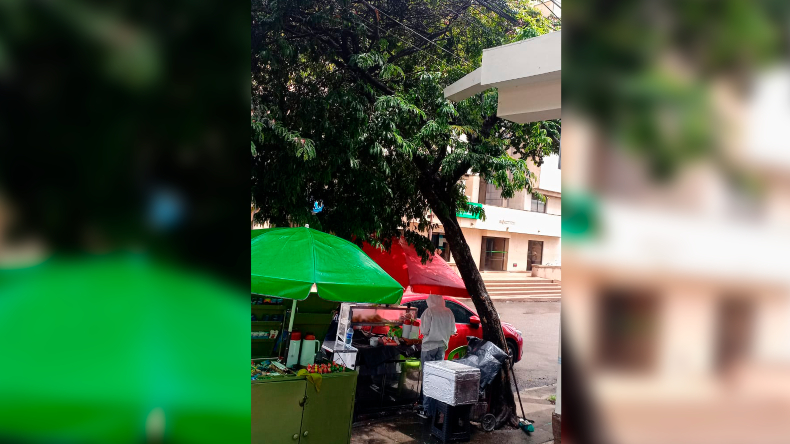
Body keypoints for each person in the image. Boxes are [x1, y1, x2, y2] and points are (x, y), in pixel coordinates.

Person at [417, 293, 456, 418]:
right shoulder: (448, 311)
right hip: (442, 347)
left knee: (428, 377)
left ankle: (427, 409)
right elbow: (452, 331)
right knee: (437, 378)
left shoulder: (429, 312)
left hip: (428, 348)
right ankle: (435, 409)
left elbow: (423, 331)